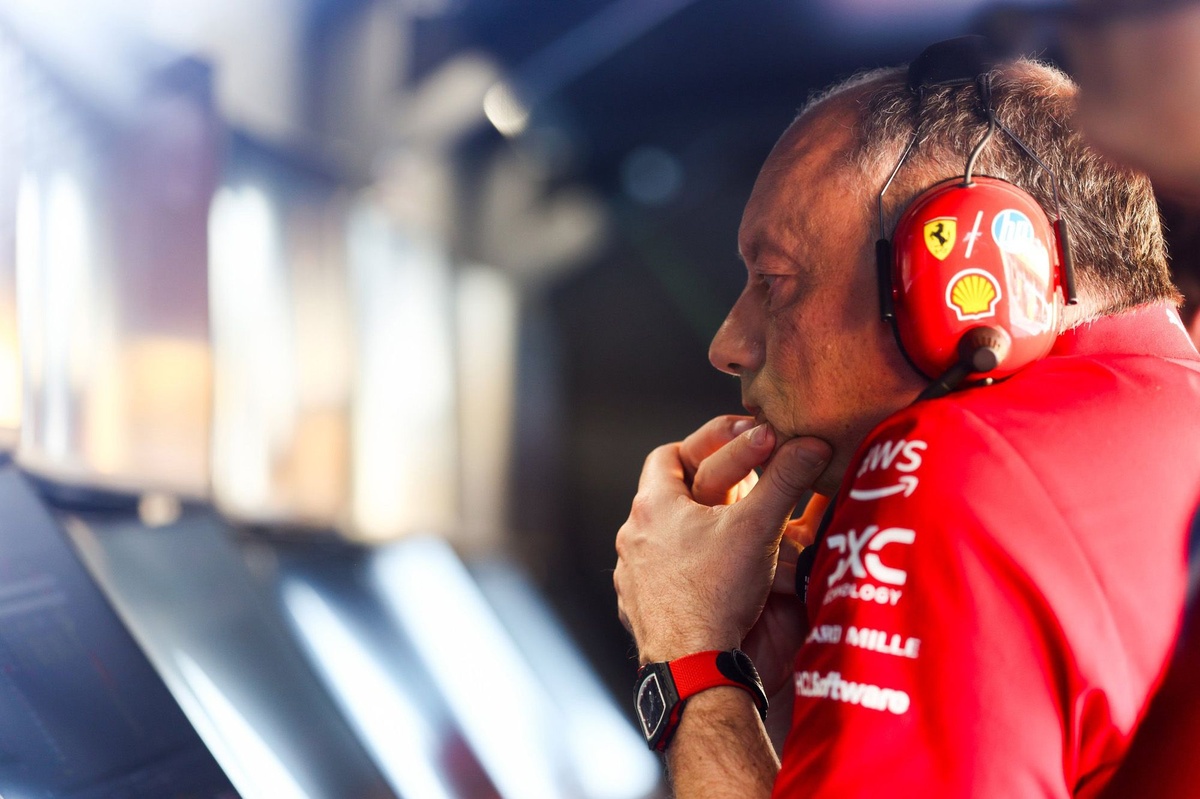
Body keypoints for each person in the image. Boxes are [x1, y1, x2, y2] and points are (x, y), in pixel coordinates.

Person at [613, 41, 1200, 797]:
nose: (729, 345)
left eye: (774, 280)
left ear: (969, 271)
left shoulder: (955, 466)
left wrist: (688, 650)